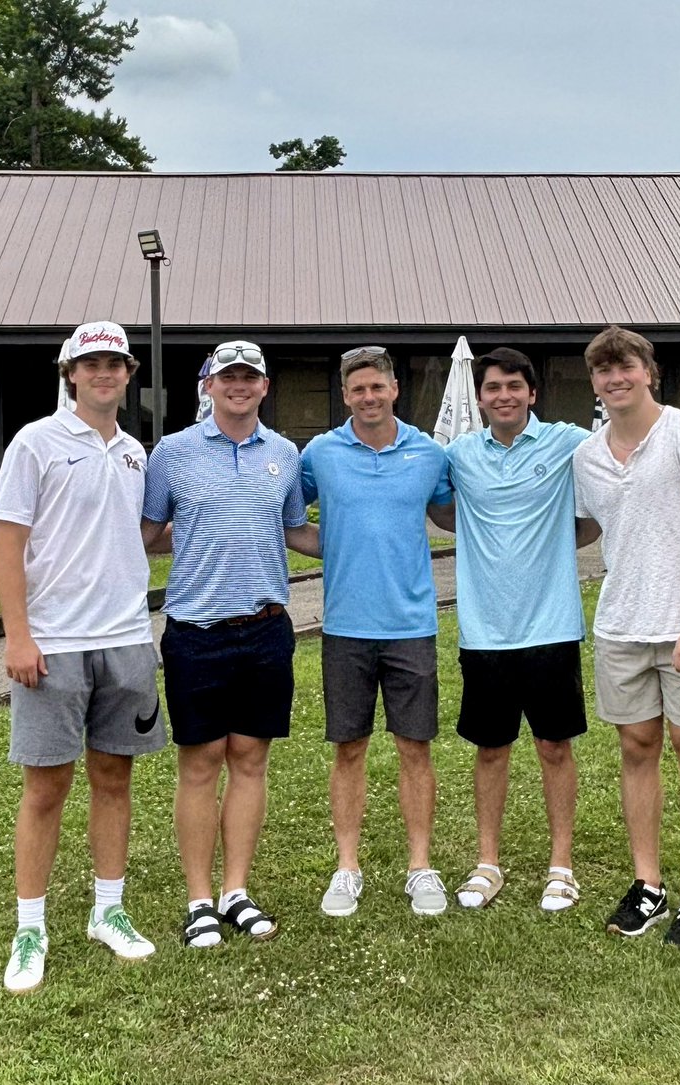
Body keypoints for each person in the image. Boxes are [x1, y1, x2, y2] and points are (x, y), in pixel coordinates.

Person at [0, 320, 164, 995]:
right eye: (91, 362)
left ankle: (108, 909)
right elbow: (7, 544)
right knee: (45, 788)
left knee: (114, 778)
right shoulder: (35, 443)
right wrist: (17, 634)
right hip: (53, 644)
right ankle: (29, 926)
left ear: (127, 375)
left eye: (115, 363)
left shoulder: (133, 451)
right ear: (71, 372)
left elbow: (134, 536)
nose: (104, 373)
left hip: (124, 638)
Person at [140, 340, 318, 948]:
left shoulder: (284, 455)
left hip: (267, 630)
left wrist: (371, 534)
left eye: (251, 377)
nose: (240, 385)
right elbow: (147, 532)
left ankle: (236, 891)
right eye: (228, 376)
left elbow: (294, 529)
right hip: (196, 633)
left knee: (250, 761)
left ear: (265, 387)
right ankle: (198, 901)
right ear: (207, 385)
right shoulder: (171, 453)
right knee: (199, 765)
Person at [573, 325, 680, 949]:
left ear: (649, 372)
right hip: (621, 625)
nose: (616, 379)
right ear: (595, 382)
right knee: (637, 749)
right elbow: (589, 528)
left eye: (626, 367)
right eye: (603, 371)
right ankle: (649, 884)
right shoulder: (586, 456)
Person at [301, 346, 453, 918]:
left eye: (378, 387)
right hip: (344, 627)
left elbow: (450, 514)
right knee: (349, 748)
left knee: (415, 748)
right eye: (358, 389)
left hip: (410, 624)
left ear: (394, 389)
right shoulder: (320, 454)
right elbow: (289, 512)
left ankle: (421, 867)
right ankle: (347, 868)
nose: (369, 397)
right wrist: (332, 547)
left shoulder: (429, 454)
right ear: (346, 396)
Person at [438, 347, 590, 913]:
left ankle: (561, 866)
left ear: (532, 393)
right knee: (491, 749)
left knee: (554, 746)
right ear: (479, 397)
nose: (504, 395)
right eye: (493, 387)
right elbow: (437, 507)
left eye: (514, 386)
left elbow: (630, 446)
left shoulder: (567, 442)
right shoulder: (458, 456)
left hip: (551, 627)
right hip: (484, 631)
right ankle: (487, 864)